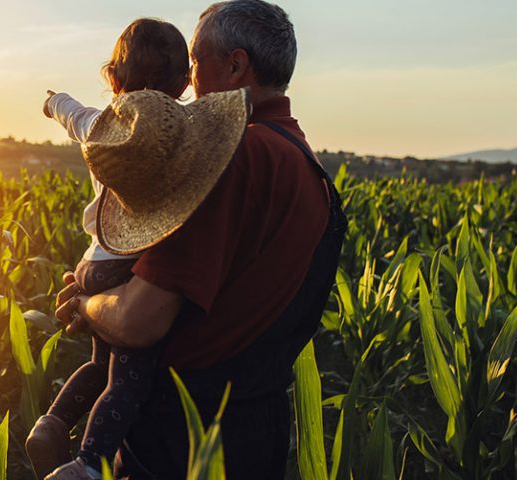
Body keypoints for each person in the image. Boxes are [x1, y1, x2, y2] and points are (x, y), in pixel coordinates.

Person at [53, 1, 348, 478]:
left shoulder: (231, 159)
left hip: (183, 437)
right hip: (257, 432)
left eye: (194, 60)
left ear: (234, 65)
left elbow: (138, 320)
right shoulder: (306, 166)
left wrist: (85, 304)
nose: (186, 80)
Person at [28, 18, 248, 480]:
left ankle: (52, 422)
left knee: (96, 363)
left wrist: (52, 102)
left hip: (92, 262)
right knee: (127, 380)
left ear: (113, 78)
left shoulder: (98, 128)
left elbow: (70, 111)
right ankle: (88, 465)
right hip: (127, 268)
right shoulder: (179, 136)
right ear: (185, 82)